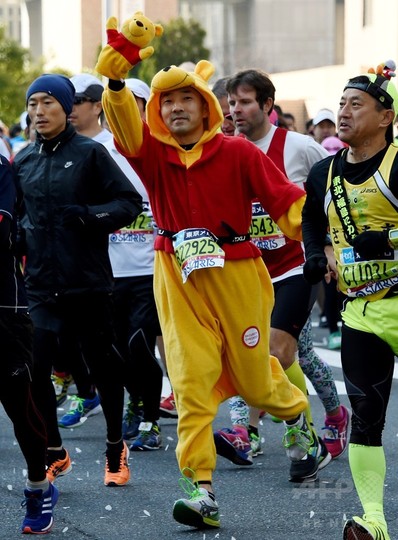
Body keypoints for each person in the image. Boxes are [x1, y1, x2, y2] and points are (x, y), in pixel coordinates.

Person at [96, 27, 308, 530]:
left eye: (187, 99)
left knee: (257, 385)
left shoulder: (239, 153)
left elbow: (286, 202)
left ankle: (298, 415)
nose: (175, 109)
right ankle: (201, 490)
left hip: (237, 275)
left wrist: (329, 241)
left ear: (207, 108)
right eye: (167, 102)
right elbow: (124, 124)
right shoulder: (152, 155)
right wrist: (118, 76)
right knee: (191, 384)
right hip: (176, 277)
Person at [213, 69, 349, 480]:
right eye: (232, 103)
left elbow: (333, 190)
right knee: (267, 352)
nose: (236, 110)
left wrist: (328, 247)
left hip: (294, 267)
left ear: (268, 106)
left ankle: (271, 427)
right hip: (247, 272)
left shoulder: (299, 147)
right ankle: (260, 427)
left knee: (277, 350)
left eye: (245, 102)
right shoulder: (223, 151)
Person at [13, 73, 143, 488]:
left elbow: (128, 202)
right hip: (40, 286)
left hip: (87, 282)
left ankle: (113, 445)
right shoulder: (23, 161)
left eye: (48, 103)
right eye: (33, 105)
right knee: (34, 367)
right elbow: (17, 215)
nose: (39, 112)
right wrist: (17, 237)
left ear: (66, 108)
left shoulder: (90, 154)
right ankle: (54, 450)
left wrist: (88, 215)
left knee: (104, 366)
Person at [302, 61, 398, 540]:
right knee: (366, 414)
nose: (343, 112)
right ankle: (374, 521)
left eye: (355, 104)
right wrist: (314, 257)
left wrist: (391, 239)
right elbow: (312, 224)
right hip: (361, 309)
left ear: (385, 116)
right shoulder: (324, 172)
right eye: (340, 103)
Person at [0, 154, 58, 534]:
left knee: (19, 406)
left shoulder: (1, 169)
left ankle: (39, 484)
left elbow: (3, 227)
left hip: (4, 307)